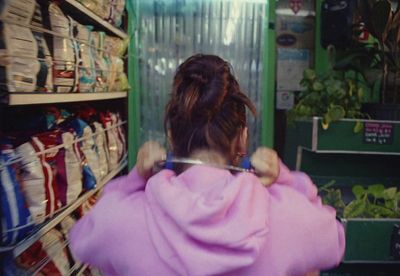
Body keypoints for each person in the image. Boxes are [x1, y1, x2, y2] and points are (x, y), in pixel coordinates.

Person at [69, 54, 345, 275]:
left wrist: (135, 179)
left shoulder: (122, 220)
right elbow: (334, 238)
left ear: (170, 137)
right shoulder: (285, 215)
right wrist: (283, 178)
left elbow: (83, 236)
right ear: (242, 139)